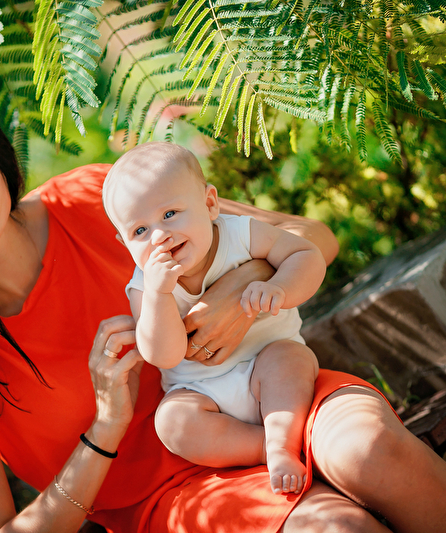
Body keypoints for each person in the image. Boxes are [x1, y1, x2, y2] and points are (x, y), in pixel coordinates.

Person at [0, 82, 446, 533]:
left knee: (370, 448)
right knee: (337, 530)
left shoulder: (94, 199)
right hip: (172, 501)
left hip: (270, 391)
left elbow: (311, 238)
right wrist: (106, 428)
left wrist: (234, 297)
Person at [102, 142, 323, 495]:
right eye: (139, 231)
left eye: (170, 213)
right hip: (203, 393)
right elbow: (163, 356)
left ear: (209, 204)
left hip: (267, 363)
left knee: (289, 359)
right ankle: (264, 447)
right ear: (124, 243)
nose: (159, 236)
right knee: (172, 422)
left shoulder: (241, 234)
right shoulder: (145, 286)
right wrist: (159, 295)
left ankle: (282, 443)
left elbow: (305, 254)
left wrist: (280, 287)